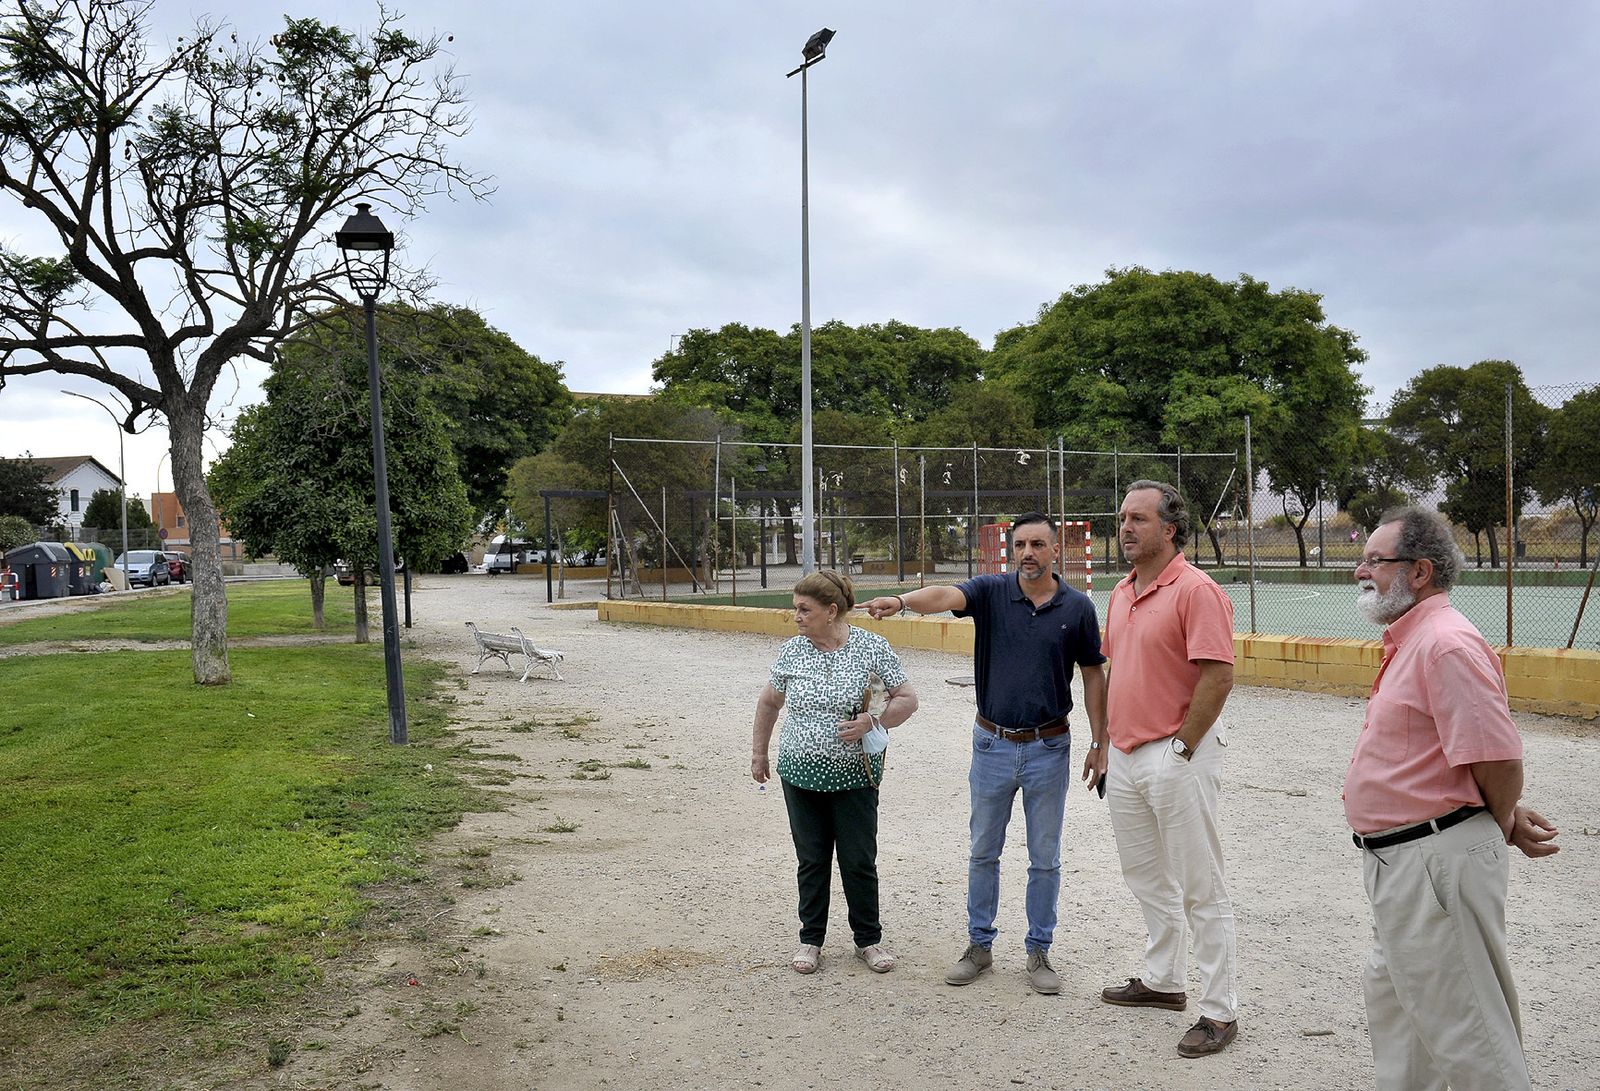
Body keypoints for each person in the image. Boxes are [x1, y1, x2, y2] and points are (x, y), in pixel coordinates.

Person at [1347, 506, 1560, 1091]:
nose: (1360, 572)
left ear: (1419, 572)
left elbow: (1498, 760)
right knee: (1402, 1020)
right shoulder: (1413, 641)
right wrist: (1498, 814)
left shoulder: (1444, 644)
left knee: (1471, 1035)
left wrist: (1498, 817)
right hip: (1405, 861)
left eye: (1374, 561)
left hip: (1432, 862)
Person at [864, 512, 1107, 995]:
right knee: (983, 851)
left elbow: (1093, 674)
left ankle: (1039, 950)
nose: (1028, 553)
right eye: (1020, 545)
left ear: (1056, 550)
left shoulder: (1078, 607)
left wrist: (1100, 743)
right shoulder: (992, 592)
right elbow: (946, 595)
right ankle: (979, 946)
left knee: (1045, 857)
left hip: (1049, 746)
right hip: (992, 743)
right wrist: (902, 601)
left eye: (1038, 544)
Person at [1098, 481, 1240, 1059]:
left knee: (1201, 885)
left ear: (1171, 529)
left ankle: (1220, 1010)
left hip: (1177, 754)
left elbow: (1218, 675)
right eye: (1122, 518)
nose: (1125, 528)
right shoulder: (1120, 591)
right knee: (1145, 876)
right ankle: (1163, 982)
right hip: (1125, 754)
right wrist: (1105, 743)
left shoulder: (1197, 590)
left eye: (1138, 518)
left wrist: (1182, 749)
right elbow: (1116, 669)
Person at [753, 570, 919, 976]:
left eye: (804, 609)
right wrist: (759, 754)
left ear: (831, 611)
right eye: (795, 609)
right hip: (799, 773)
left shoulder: (871, 647)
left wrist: (873, 720)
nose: (796, 616)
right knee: (811, 859)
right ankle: (811, 940)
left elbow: (907, 699)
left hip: (854, 775)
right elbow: (769, 702)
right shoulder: (792, 651)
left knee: (858, 859)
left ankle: (868, 940)